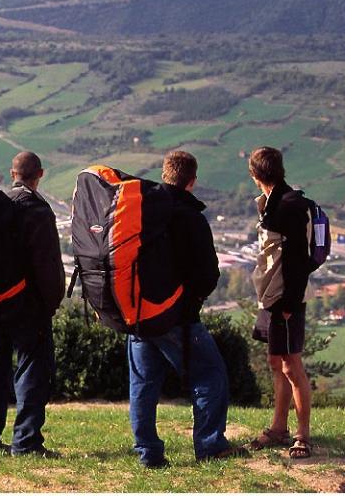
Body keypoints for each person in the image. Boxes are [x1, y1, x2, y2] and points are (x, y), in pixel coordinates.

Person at [128, 151, 246, 468]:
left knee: (143, 385)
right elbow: (208, 273)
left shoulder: (141, 209)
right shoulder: (190, 217)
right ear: (192, 181)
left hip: (137, 313)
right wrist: (189, 302)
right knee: (210, 375)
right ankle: (210, 445)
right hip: (176, 317)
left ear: (165, 173)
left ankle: (148, 453)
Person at [0, 151, 65, 457]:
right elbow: (47, 263)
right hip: (28, 307)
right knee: (32, 373)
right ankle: (26, 442)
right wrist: (51, 301)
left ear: (11, 173)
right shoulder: (37, 210)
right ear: (40, 174)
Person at [247, 146, 314, 459]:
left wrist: (289, 301)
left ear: (255, 175)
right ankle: (278, 428)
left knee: (291, 365)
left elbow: (298, 259)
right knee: (277, 362)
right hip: (271, 297)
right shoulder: (274, 203)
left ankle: (302, 435)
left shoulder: (288, 205)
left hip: (285, 298)